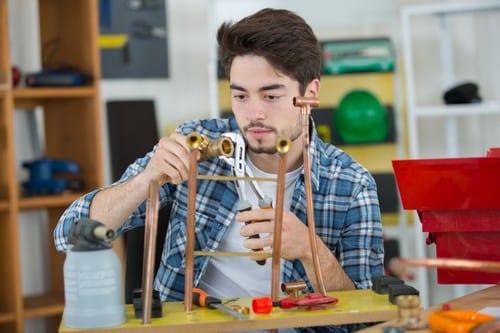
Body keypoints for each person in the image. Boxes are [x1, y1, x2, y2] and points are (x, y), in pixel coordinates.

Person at [54, 8, 384, 332]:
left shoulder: (352, 184)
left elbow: (368, 318)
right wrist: (146, 180)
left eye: (270, 96)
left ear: (310, 94)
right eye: (240, 95)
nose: (254, 114)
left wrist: (311, 252)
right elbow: (69, 232)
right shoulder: (197, 144)